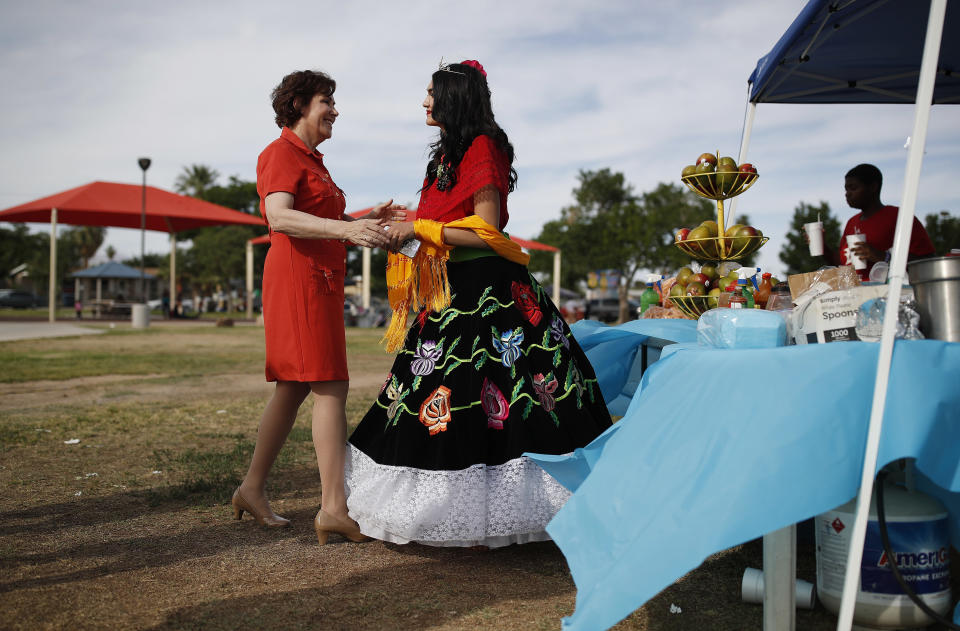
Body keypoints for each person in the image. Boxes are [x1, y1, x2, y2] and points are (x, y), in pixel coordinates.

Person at [344, 60, 613, 548]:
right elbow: (445, 225)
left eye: (431, 93)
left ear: (455, 98)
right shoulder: (446, 154)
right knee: (447, 397)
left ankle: (512, 512)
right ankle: (456, 513)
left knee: (505, 398)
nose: (424, 103)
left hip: (490, 294)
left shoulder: (483, 147)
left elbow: (486, 232)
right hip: (449, 290)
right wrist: (405, 229)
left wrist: (420, 229)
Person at [232, 69, 404, 546]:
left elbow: (322, 218)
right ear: (299, 104)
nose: (335, 109)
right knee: (330, 385)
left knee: (292, 388)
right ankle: (332, 508)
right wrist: (347, 231)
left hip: (318, 280)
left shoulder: (313, 160)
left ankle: (251, 488)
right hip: (299, 280)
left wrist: (367, 218)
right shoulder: (279, 153)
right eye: (327, 100)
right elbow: (280, 217)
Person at [823, 164, 935, 280]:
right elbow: (842, 264)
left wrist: (884, 257)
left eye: (853, 188)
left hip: (888, 294)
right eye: (846, 189)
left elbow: (927, 261)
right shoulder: (851, 222)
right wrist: (823, 247)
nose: (847, 194)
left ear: (873, 187)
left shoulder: (899, 217)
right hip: (854, 293)